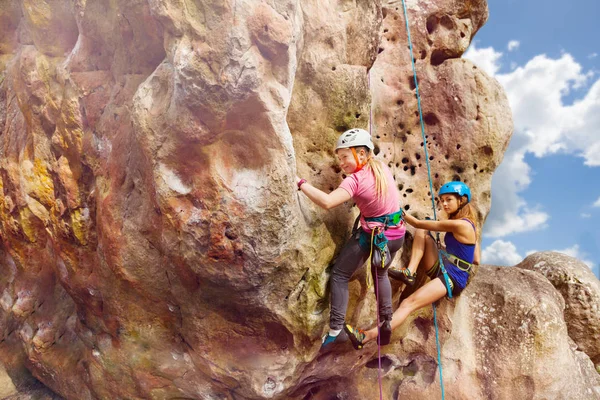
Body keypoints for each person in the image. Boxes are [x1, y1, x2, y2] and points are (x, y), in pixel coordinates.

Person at [296, 128, 406, 349]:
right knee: (380, 273)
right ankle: (386, 320)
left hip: (374, 238)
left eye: (345, 157)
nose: (341, 163)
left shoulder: (354, 181)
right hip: (397, 234)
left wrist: (301, 183)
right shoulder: (381, 168)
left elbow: (327, 202)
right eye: (339, 158)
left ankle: (336, 329)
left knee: (339, 273)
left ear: (362, 154)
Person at [343, 181, 481, 349]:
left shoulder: (462, 224)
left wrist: (398, 211)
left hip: (452, 278)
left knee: (408, 303)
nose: (444, 204)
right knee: (424, 233)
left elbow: (417, 223)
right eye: (442, 200)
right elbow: (476, 259)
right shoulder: (470, 226)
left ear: (462, 200)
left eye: (449, 199)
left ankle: (365, 337)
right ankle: (410, 271)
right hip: (445, 267)